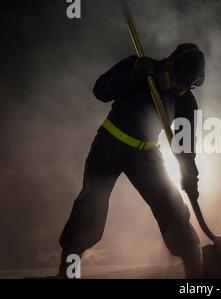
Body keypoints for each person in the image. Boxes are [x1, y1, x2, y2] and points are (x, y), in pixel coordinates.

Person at [57, 43, 205, 278]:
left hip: (146, 154)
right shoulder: (140, 68)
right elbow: (100, 91)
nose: (179, 88)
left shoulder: (186, 101)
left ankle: (196, 274)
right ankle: (67, 272)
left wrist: (190, 176)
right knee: (90, 209)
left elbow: (185, 145)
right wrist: (132, 74)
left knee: (173, 208)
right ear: (169, 63)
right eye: (179, 80)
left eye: (187, 85)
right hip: (109, 144)